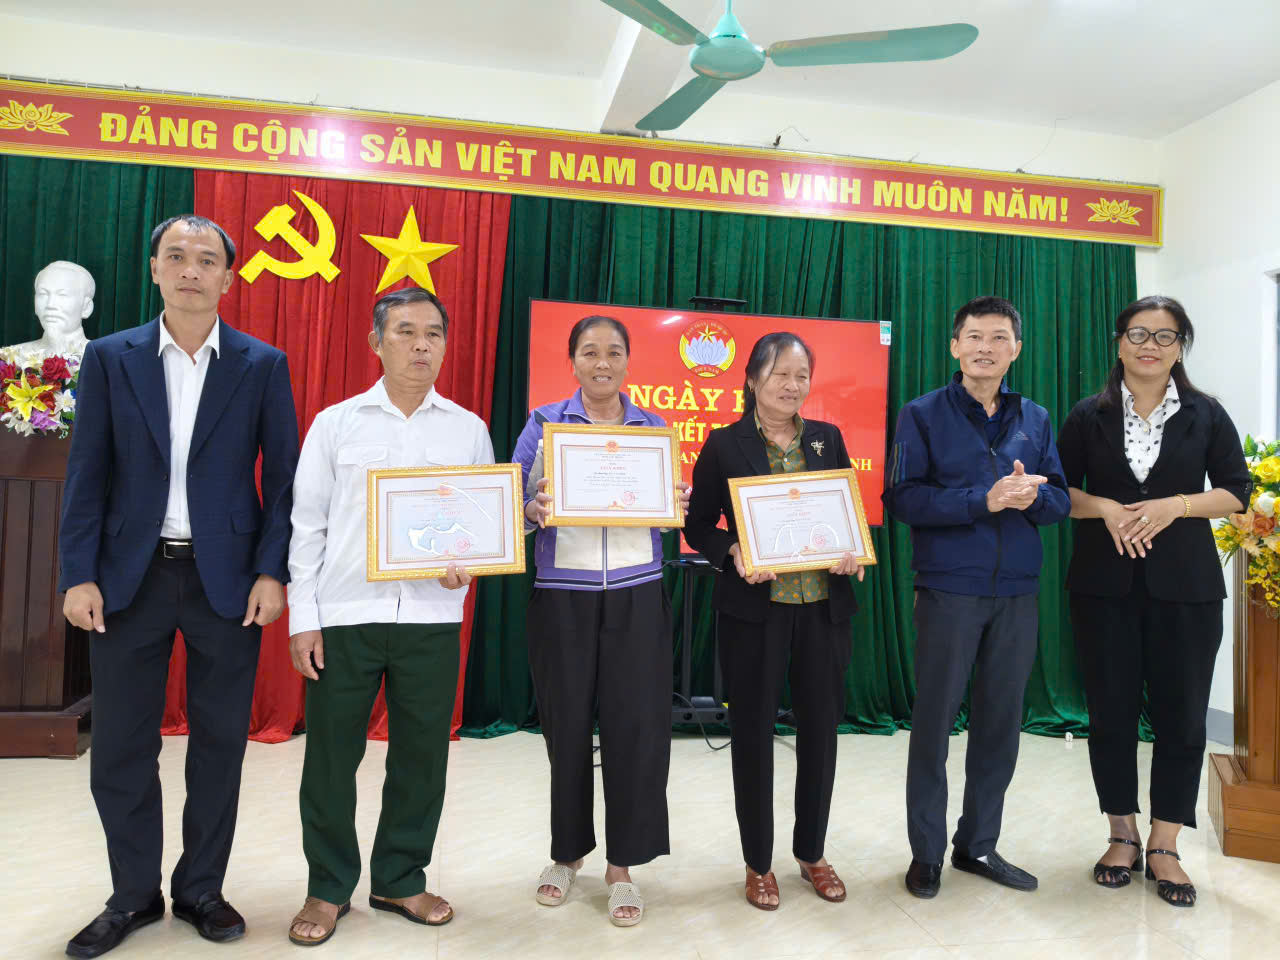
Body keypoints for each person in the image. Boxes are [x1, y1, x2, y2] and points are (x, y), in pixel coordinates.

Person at [59, 215, 299, 957]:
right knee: (121, 746)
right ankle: (132, 895)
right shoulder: (110, 357)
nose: (191, 269)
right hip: (127, 579)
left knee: (220, 744)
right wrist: (78, 574)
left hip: (226, 582)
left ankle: (201, 890)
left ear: (228, 276)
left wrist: (272, 570)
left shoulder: (262, 364)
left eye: (207, 259)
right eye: (177, 257)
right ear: (155, 270)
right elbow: (86, 473)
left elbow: (283, 481)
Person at [285, 286, 493, 946]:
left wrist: (469, 563)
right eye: (405, 331)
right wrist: (303, 617)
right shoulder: (336, 423)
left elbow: (478, 524)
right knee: (330, 759)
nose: (421, 345)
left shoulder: (467, 429)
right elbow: (307, 525)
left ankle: (400, 877)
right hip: (345, 615)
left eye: (433, 333)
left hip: (430, 617)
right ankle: (327, 887)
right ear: (376, 342)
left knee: (422, 758)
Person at [1057, 295, 1249, 908]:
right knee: (1110, 713)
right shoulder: (1088, 415)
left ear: (1180, 348)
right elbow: (1058, 492)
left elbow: (1236, 492)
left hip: (1187, 589)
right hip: (1102, 588)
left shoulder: (1206, 414)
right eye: (1138, 334)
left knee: (1183, 716)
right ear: (1119, 343)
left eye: (1166, 336)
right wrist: (1105, 507)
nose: (1150, 346)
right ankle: (1122, 835)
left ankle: (1165, 845)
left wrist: (1177, 506)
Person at [882, 295, 1070, 900]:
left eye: (998, 338)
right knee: (934, 724)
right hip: (948, 590)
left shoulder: (1035, 417)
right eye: (974, 337)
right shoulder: (921, 414)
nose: (985, 348)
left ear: (1017, 349)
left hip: (1017, 594)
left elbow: (1061, 499)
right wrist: (981, 500)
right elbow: (902, 498)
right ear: (954, 346)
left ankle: (978, 845)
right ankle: (927, 853)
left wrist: (1033, 496)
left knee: (1000, 725)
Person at [514, 315, 689, 927]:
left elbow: (665, 512)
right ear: (573, 362)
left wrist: (675, 504)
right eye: (589, 352)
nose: (602, 362)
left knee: (635, 732)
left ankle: (622, 867)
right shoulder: (543, 424)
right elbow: (512, 505)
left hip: (638, 594)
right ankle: (567, 854)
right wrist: (533, 508)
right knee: (565, 730)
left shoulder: (653, 430)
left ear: (628, 361)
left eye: (614, 352)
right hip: (563, 595)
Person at [684, 332, 864, 911]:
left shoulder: (827, 438)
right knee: (752, 735)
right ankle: (758, 863)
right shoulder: (724, 444)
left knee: (821, 734)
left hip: (823, 609)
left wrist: (851, 550)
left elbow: (845, 514)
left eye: (801, 375)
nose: (792, 385)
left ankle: (812, 852)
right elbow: (698, 525)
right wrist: (732, 550)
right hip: (754, 614)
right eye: (780, 374)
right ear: (753, 379)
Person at [4, 260, 94, 358]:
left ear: (86, 307)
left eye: (62, 295)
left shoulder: (102, 358)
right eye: (43, 294)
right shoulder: (9, 357)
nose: (50, 304)